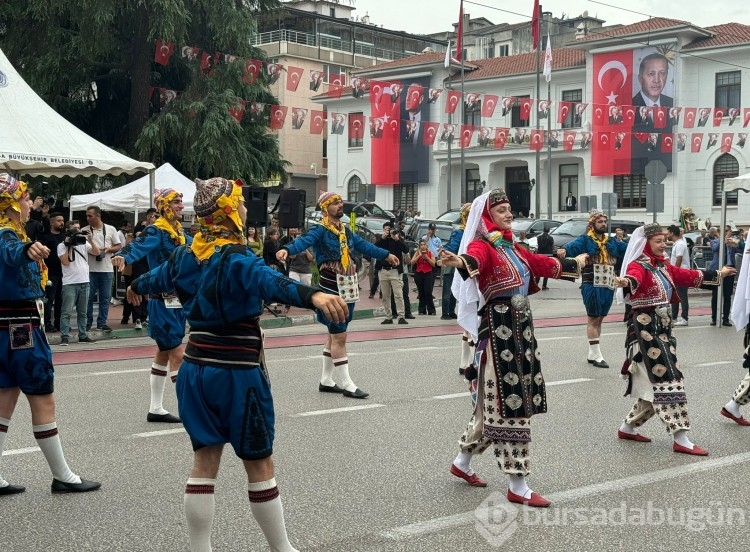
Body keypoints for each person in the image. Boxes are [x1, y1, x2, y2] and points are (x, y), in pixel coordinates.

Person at [127, 176, 347, 551]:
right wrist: (313, 295)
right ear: (229, 213)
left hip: (195, 368)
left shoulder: (185, 254)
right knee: (259, 465)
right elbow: (271, 283)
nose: (245, 209)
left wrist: (134, 286)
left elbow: (151, 278)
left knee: (205, 461)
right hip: (236, 371)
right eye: (241, 204)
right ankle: (282, 549)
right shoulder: (237, 257)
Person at [440, 188, 585, 508]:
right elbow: (473, 259)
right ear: (488, 215)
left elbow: (541, 264)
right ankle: (517, 483)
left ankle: (462, 462)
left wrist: (576, 263)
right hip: (498, 333)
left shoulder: (513, 247)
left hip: (522, 333)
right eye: (502, 210)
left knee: (492, 405)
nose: (509, 214)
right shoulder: (484, 245)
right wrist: (458, 261)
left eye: (510, 209)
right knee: (510, 404)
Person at [0, 173, 100, 495]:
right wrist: (27, 250)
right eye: (25, 199)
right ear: (13, 205)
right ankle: (63, 475)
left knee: (4, 400)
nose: (30, 203)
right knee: (42, 397)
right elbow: (12, 251)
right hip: (22, 328)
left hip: (6, 328)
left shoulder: (11, 232)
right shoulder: (7, 236)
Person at [614, 223, 733, 455]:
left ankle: (627, 427)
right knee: (670, 379)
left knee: (655, 385)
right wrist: (626, 283)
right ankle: (681, 437)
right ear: (646, 243)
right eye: (658, 241)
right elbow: (633, 278)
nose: (663, 245)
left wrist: (719, 274)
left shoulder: (664, 266)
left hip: (663, 333)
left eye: (664, 240)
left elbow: (688, 276)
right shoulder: (638, 266)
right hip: (645, 335)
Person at [277, 192, 399, 399]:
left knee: (334, 334)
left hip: (347, 284)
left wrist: (386, 255)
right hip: (331, 284)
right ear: (325, 208)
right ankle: (347, 384)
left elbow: (364, 246)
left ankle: (326, 380)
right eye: (335, 203)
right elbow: (303, 241)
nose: (340, 205)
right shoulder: (320, 230)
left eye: (341, 202)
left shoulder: (346, 230)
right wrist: (287, 249)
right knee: (339, 334)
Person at [112, 189, 191, 424]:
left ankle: (155, 408)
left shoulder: (179, 231)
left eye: (180, 201)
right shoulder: (157, 230)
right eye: (176, 202)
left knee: (164, 353)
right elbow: (138, 245)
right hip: (162, 300)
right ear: (164, 205)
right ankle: (191, 411)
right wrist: (123, 255)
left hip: (177, 301)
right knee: (178, 354)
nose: (180, 205)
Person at [558, 209, 628, 368]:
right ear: (592, 224)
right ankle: (596, 354)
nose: (603, 224)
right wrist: (563, 251)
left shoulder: (611, 241)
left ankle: (592, 352)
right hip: (591, 283)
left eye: (605, 222)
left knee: (600, 318)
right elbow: (569, 248)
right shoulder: (585, 239)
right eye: (600, 222)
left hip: (608, 284)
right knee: (593, 318)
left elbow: (628, 249)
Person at [58, 220, 99, 345]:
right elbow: (65, 261)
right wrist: (70, 245)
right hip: (70, 283)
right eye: (74, 228)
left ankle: (83, 335)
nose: (77, 230)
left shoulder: (83, 242)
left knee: (83, 311)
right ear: (68, 230)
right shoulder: (61, 245)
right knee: (66, 311)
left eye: (79, 228)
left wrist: (91, 239)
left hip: (84, 281)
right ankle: (65, 336)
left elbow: (97, 252)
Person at [82, 205, 121, 332]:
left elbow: (118, 246)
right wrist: (93, 251)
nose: (87, 218)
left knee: (105, 298)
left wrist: (108, 250)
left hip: (107, 269)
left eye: (90, 215)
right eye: (86, 215)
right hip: (90, 269)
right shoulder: (84, 230)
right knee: (88, 298)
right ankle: (88, 323)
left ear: (98, 215)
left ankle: (102, 322)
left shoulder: (110, 229)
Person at [374, 222, 409, 325]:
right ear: (383, 230)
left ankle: (401, 316)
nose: (389, 232)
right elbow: (374, 248)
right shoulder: (382, 240)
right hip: (383, 270)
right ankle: (388, 317)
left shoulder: (397, 239)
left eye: (390, 230)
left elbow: (406, 249)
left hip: (395, 271)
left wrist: (397, 239)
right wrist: (382, 238)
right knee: (385, 295)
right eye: (386, 230)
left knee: (398, 295)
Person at [441, 203, 471, 320]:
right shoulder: (459, 233)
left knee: (457, 289)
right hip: (454, 264)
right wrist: (446, 252)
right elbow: (452, 247)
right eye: (468, 216)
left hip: (467, 264)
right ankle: (445, 312)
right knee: (448, 289)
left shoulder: (474, 233)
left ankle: (452, 311)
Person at [40, 212, 66, 332]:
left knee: (61, 300)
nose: (61, 222)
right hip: (50, 273)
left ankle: (59, 323)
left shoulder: (65, 237)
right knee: (49, 299)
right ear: (52, 222)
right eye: (59, 220)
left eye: (62, 220)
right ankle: (46, 323)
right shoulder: (45, 237)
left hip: (64, 273)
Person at [709, 225, 738, 326]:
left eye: (728, 231)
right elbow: (715, 249)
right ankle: (714, 318)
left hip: (729, 269)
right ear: (719, 232)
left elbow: (739, 249)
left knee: (727, 295)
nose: (727, 232)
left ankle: (725, 318)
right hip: (718, 270)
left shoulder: (731, 242)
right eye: (725, 231)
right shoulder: (715, 241)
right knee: (716, 295)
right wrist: (723, 240)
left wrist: (733, 243)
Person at [667, 225, 690, 326]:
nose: (667, 235)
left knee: (682, 296)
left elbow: (679, 258)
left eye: (668, 233)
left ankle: (684, 318)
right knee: (675, 296)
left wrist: (675, 271)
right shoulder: (677, 243)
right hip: (678, 273)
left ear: (672, 233)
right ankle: (674, 317)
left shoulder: (680, 244)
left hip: (681, 273)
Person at [411, 240, 436, 315]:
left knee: (428, 291)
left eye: (424, 244)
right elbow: (412, 262)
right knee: (421, 292)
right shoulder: (417, 253)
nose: (423, 246)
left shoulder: (430, 253)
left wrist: (427, 258)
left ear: (427, 246)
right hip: (419, 273)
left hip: (428, 273)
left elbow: (433, 264)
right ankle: (422, 310)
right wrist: (419, 256)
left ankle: (431, 310)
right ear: (419, 246)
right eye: (421, 245)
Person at [535, 224, 555, 290]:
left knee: (539, 269)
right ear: (549, 230)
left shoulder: (539, 237)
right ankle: (544, 285)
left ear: (543, 230)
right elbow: (552, 247)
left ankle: (536, 284)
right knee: (546, 270)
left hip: (540, 254)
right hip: (548, 255)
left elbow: (538, 246)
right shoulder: (551, 238)